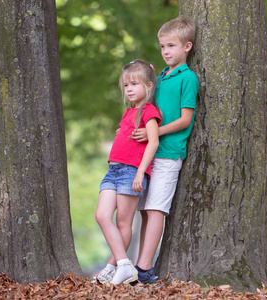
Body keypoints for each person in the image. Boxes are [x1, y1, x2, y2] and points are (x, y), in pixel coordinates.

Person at [132, 16, 199, 284]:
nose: (166, 52)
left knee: (156, 208)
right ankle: (137, 264)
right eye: (162, 47)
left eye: (171, 46)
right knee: (143, 209)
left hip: (169, 153)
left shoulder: (188, 78)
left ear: (187, 47)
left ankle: (144, 268)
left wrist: (154, 132)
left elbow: (185, 120)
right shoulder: (161, 78)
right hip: (147, 154)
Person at [95, 60, 162, 285]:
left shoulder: (149, 111)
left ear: (149, 86)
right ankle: (122, 264)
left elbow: (153, 143)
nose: (130, 88)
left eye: (135, 83)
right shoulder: (128, 112)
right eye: (126, 85)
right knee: (102, 216)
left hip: (131, 172)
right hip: (112, 170)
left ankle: (116, 267)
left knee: (124, 222)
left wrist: (139, 173)